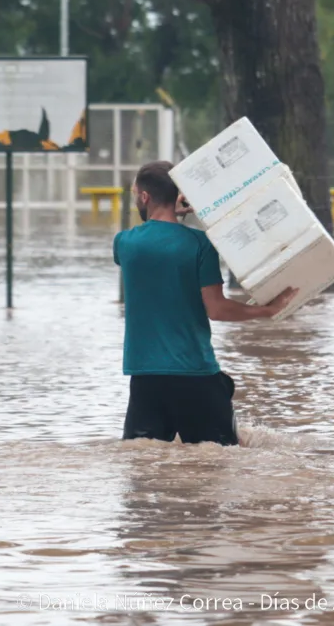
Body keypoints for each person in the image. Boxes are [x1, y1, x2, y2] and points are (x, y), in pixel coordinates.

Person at [113, 160, 297, 446]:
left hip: (145, 378)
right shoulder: (200, 244)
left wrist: (171, 212)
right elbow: (217, 309)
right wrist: (267, 309)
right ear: (178, 196)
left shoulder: (124, 243)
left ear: (145, 197)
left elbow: (155, 245)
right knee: (218, 464)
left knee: (144, 469)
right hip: (195, 374)